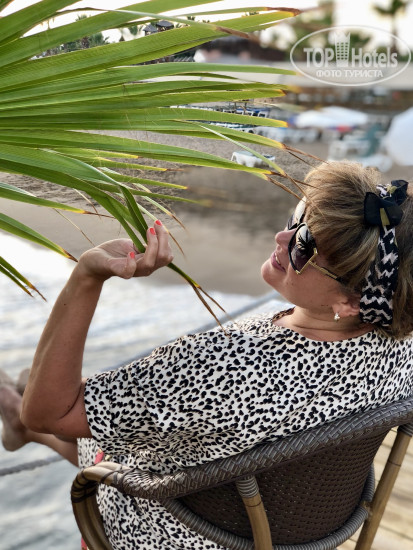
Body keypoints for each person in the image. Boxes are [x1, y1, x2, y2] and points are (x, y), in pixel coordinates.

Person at [1, 161, 413, 550]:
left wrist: (88, 275)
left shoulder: (225, 368)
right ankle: (26, 410)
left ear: (352, 302)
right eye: (296, 219)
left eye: (304, 247)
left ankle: (18, 415)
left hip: (160, 532)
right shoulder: (403, 349)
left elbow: (50, 413)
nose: (281, 238)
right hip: (271, 524)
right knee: (133, 417)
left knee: (68, 417)